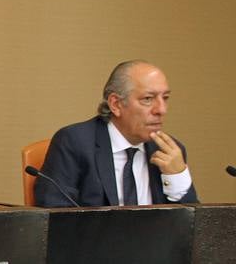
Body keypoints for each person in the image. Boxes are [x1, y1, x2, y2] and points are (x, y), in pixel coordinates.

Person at [35, 60, 198, 207]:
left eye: (165, 98)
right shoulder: (75, 142)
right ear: (116, 104)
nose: (161, 110)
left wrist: (178, 176)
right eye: (148, 99)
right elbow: (55, 214)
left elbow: (194, 229)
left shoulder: (169, 153)